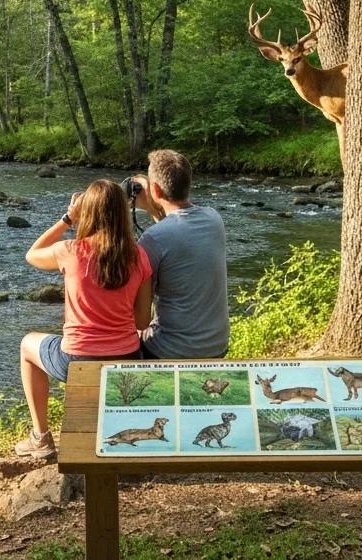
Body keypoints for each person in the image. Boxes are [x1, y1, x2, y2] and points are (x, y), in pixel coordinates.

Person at [15, 179, 153, 461]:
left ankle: (41, 438)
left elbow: (31, 255)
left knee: (28, 345)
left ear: (88, 213)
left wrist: (68, 218)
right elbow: (142, 322)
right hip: (126, 358)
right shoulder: (139, 256)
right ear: (122, 213)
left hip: (78, 362)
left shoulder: (71, 250)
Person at [134, 149, 229, 359]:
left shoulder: (151, 240)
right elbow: (176, 234)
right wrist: (154, 208)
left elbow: (140, 321)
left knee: (132, 335)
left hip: (170, 351)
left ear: (155, 190)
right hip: (217, 346)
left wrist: (144, 204)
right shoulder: (214, 219)